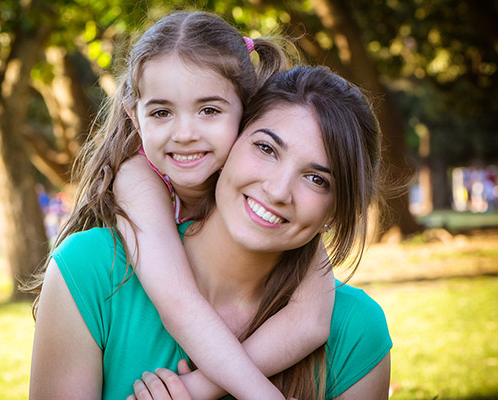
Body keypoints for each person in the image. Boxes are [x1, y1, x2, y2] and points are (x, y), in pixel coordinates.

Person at [29, 65, 392, 399]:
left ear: (339, 208)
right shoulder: (92, 271)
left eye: (317, 179)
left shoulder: (356, 330)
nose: (279, 191)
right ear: (228, 139)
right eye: (266, 148)